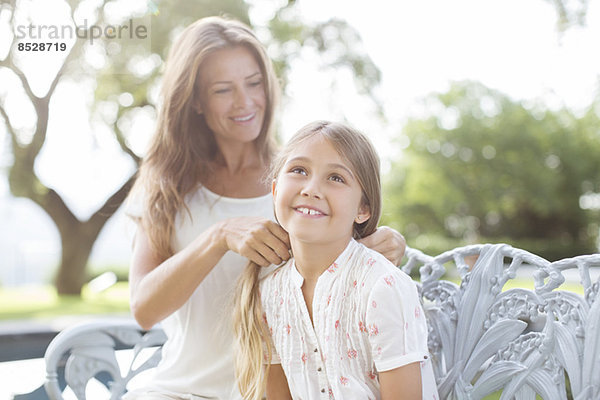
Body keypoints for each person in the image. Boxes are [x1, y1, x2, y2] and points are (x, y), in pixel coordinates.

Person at [124, 17, 406, 399]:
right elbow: (144, 310)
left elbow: (354, 269)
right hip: (178, 389)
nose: (245, 102)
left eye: (254, 83)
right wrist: (218, 236)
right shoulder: (165, 186)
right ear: (195, 101)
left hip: (281, 391)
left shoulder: (302, 184)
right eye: (223, 90)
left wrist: (384, 246)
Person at [234, 121, 438, 400]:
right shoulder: (268, 294)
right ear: (274, 190)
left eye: (336, 178)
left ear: (363, 209)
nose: (311, 188)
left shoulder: (382, 287)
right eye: (299, 170)